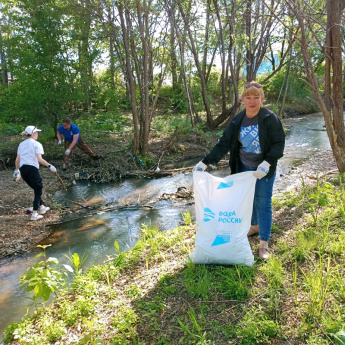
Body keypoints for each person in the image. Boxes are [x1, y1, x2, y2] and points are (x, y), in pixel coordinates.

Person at [194, 81, 285, 260]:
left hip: (264, 169)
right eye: (248, 97)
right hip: (243, 167)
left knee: (263, 202)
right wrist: (205, 162)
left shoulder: (269, 118)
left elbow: (278, 143)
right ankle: (254, 226)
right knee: (247, 202)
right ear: (242, 100)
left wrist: (267, 162)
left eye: (256, 97)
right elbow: (224, 143)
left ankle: (264, 243)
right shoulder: (237, 120)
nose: (252, 101)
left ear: (262, 99)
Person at [14, 126, 57, 221]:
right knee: (38, 188)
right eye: (37, 133)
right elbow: (40, 159)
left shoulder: (21, 144)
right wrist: (50, 166)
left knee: (36, 188)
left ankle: (42, 207)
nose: (37, 134)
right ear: (33, 134)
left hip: (23, 169)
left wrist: (17, 170)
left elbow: (17, 159)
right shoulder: (37, 144)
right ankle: (34, 214)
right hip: (32, 169)